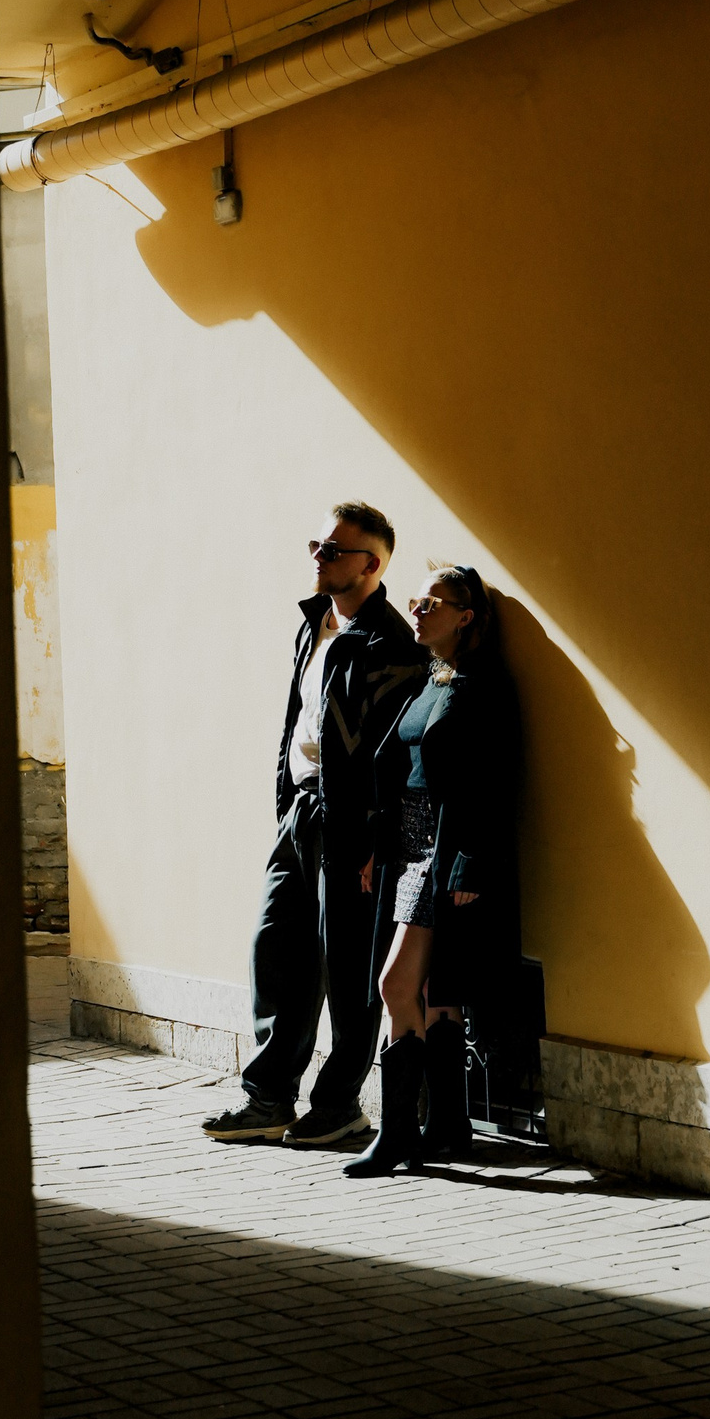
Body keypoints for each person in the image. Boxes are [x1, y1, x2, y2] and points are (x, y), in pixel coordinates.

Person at [203, 504, 425, 1146]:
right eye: (316, 546)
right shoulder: (314, 625)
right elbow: (299, 722)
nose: (318, 558)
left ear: (371, 564)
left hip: (352, 826)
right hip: (301, 812)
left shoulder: (390, 645)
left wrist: (376, 839)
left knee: (349, 969)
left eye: (333, 550)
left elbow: (394, 755)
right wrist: (286, 797)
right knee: (275, 949)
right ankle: (268, 1098)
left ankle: (340, 1104)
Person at [345, 562, 522, 1180]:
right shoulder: (433, 677)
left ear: (465, 616)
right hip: (411, 847)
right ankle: (447, 1124)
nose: (417, 610)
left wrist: (470, 861)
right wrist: (379, 846)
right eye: (417, 600)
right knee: (434, 992)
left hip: (447, 849)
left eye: (432, 603)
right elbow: (400, 771)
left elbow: (495, 782)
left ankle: (397, 1134)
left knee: (396, 985)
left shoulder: (484, 685)